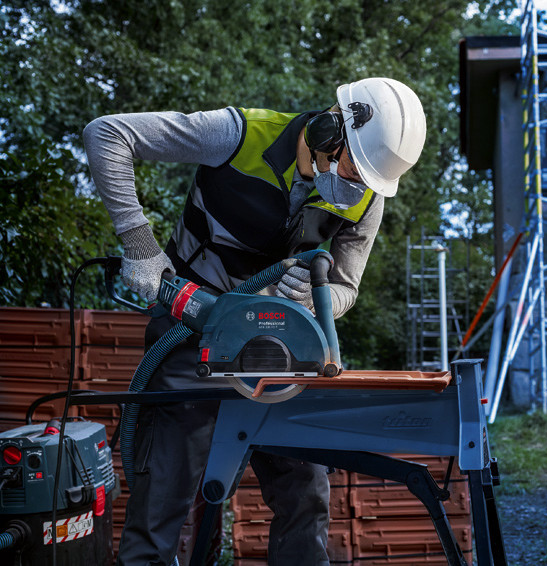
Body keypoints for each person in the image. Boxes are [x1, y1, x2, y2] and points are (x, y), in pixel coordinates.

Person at [83, 77, 426, 566]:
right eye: (354, 168)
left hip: (278, 350)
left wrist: (315, 299)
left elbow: (346, 288)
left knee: (305, 492)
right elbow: (107, 133)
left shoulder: (368, 194)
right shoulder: (238, 135)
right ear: (330, 129)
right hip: (191, 335)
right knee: (162, 499)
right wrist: (139, 242)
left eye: (368, 179)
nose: (356, 186)